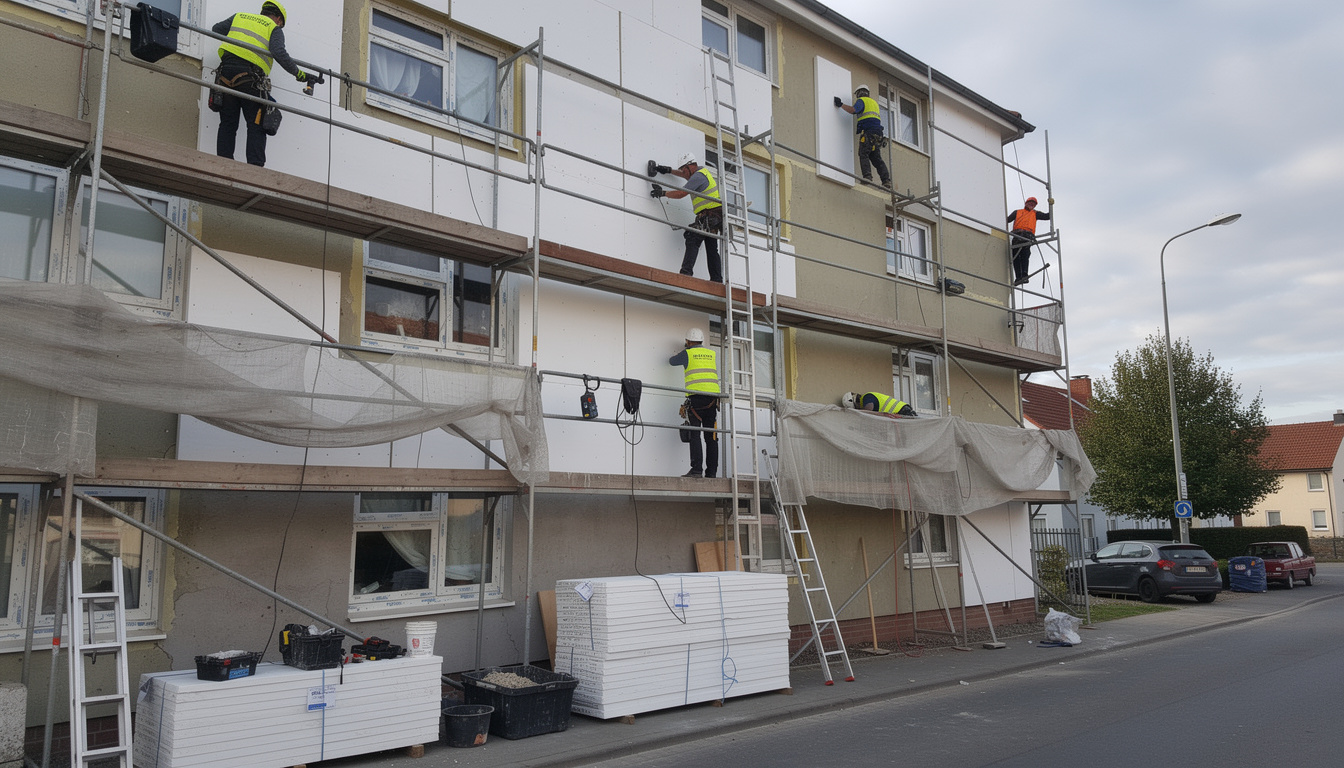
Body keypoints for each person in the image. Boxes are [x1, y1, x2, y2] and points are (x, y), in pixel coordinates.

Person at [212, 2, 310, 167]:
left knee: (228, 123)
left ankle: (223, 163)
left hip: (226, 75)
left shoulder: (239, 16)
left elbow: (216, 29)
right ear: (279, 19)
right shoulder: (273, 28)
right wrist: (299, 73)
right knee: (256, 124)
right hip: (250, 78)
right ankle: (255, 168)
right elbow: (278, 51)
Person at [651, 153, 723, 283]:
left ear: (691, 165)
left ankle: (686, 274)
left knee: (692, 238)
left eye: (684, 169)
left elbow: (681, 193)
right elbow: (683, 174)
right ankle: (717, 279)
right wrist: (668, 170)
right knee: (711, 248)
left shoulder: (698, 176)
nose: (683, 173)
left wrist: (663, 193)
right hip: (715, 216)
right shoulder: (701, 173)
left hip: (709, 215)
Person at [669, 328, 720, 478]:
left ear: (688, 341)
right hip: (712, 400)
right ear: (701, 341)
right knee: (711, 437)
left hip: (696, 399)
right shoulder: (711, 353)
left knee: (695, 434)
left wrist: (683, 351)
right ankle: (712, 473)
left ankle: (697, 470)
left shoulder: (688, 353)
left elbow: (672, 361)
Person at [834, 85, 891, 189]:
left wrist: (840, 104)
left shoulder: (861, 101)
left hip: (869, 132)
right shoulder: (874, 103)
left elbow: (853, 110)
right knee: (875, 157)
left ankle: (867, 177)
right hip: (878, 134)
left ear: (859, 93)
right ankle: (886, 180)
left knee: (863, 153)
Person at [1007, 196, 1053, 286]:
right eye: (1030, 202)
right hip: (1017, 235)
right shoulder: (1017, 212)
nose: (1032, 204)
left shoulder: (1035, 214)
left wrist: (1050, 205)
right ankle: (1018, 277)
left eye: (1034, 204)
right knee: (1016, 257)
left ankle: (1024, 275)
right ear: (1026, 203)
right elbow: (1007, 220)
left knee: (1025, 255)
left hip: (1028, 236)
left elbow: (1048, 216)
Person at [842, 391, 916, 417]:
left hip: (902, 411)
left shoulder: (867, 397)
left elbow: (869, 411)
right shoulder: (867, 398)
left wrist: (858, 413)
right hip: (900, 412)